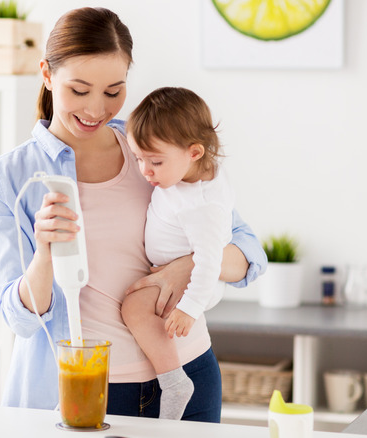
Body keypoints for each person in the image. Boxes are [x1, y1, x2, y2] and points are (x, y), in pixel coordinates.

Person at [0, 7, 267, 423]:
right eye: (79, 91)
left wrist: (182, 268)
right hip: (92, 388)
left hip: (190, 371)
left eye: (114, 91)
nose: (96, 109)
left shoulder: (151, 143)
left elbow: (247, 251)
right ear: (46, 74)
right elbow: (20, 320)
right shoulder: (9, 177)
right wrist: (44, 253)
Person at [121, 87, 234, 420]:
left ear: (194, 152)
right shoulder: (184, 176)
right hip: (176, 272)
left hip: (196, 283)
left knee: (135, 307)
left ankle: (173, 382)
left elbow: (210, 260)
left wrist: (188, 308)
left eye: (155, 161)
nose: (145, 171)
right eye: (138, 158)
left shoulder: (201, 205)